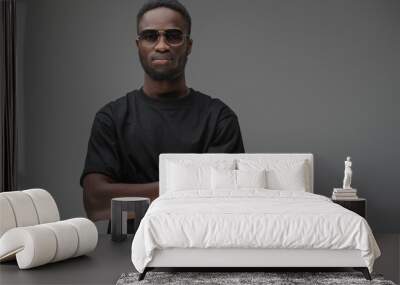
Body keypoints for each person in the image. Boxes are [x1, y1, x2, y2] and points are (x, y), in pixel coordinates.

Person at [80, 0, 245, 222]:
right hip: (125, 248)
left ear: (189, 45)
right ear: (138, 45)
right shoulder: (111, 118)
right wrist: (188, 188)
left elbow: (222, 200)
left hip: (199, 246)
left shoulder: (219, 119)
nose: (161, 46)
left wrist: (130, 197)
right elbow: (96, 203)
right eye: (150, 36)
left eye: (173, 36)